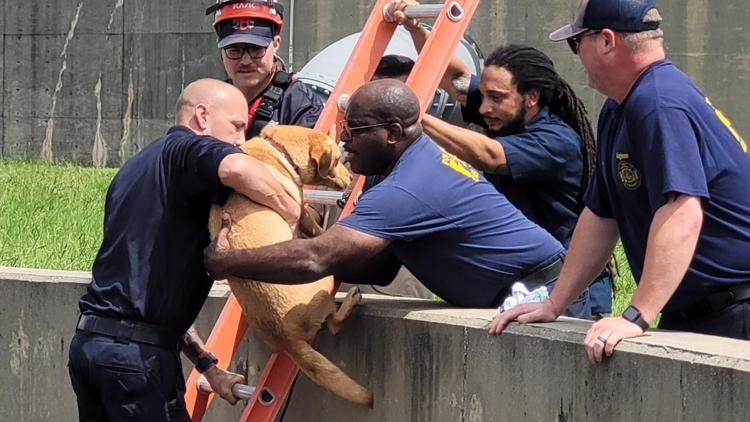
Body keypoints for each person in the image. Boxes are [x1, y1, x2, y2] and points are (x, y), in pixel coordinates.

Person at [491, 0, 750, 361]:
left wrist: (636, 315)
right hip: (698, 312)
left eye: (576, 42)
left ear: (607, 41)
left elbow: (683, 213)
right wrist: (555, 302)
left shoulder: (659, 103)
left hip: (737, 313)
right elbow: (601, 214)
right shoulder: (620, 107)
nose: (577, 54)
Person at [204, 79, 592, 317]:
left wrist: (226, 261)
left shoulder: (408, 187)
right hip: (522, 289)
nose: (343, 140)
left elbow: (314, 257)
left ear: (391, 133)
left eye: (355, 130)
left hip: (544, 293)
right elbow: (379, 268)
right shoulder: (399, 170)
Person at [67, 79, 300, 421]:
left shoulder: (133, 170)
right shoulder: (187, 149)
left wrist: (208, 366)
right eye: (236, 127)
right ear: (202, 116)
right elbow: (236, 168)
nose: (240, 140)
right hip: (136, 362)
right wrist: (291, 210)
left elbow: (147, 295)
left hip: (91, 347)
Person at [386, 0, 613, 316]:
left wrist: (407, 117)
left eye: (495, 98)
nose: (483, 108)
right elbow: (456, 80)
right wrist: (415, 28)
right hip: (525, 286)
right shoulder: (507, 112)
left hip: (572, 298)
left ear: (531, 97)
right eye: (486, 95)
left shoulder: (556, 141)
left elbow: (488, 155)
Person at [207, 0, 323, 138]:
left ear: (275, 44)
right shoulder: (210, 102)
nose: (245, 61)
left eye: (256, 49)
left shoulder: (299, 104)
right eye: (234, 51)